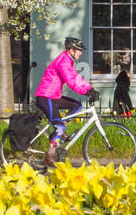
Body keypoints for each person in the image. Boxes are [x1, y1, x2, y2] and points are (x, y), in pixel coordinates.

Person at [34, 36, 96, 169]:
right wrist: (87, 92)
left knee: (76, 106)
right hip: (45, 97)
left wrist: (90, 89)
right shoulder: (63, 61)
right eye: (79, 50)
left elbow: (76, 77)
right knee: (60, 127)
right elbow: (71, 80)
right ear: (71, 50)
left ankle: (58, 132)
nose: (81, 53)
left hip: (53, 96)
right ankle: (49, 156)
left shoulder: (67, 60)